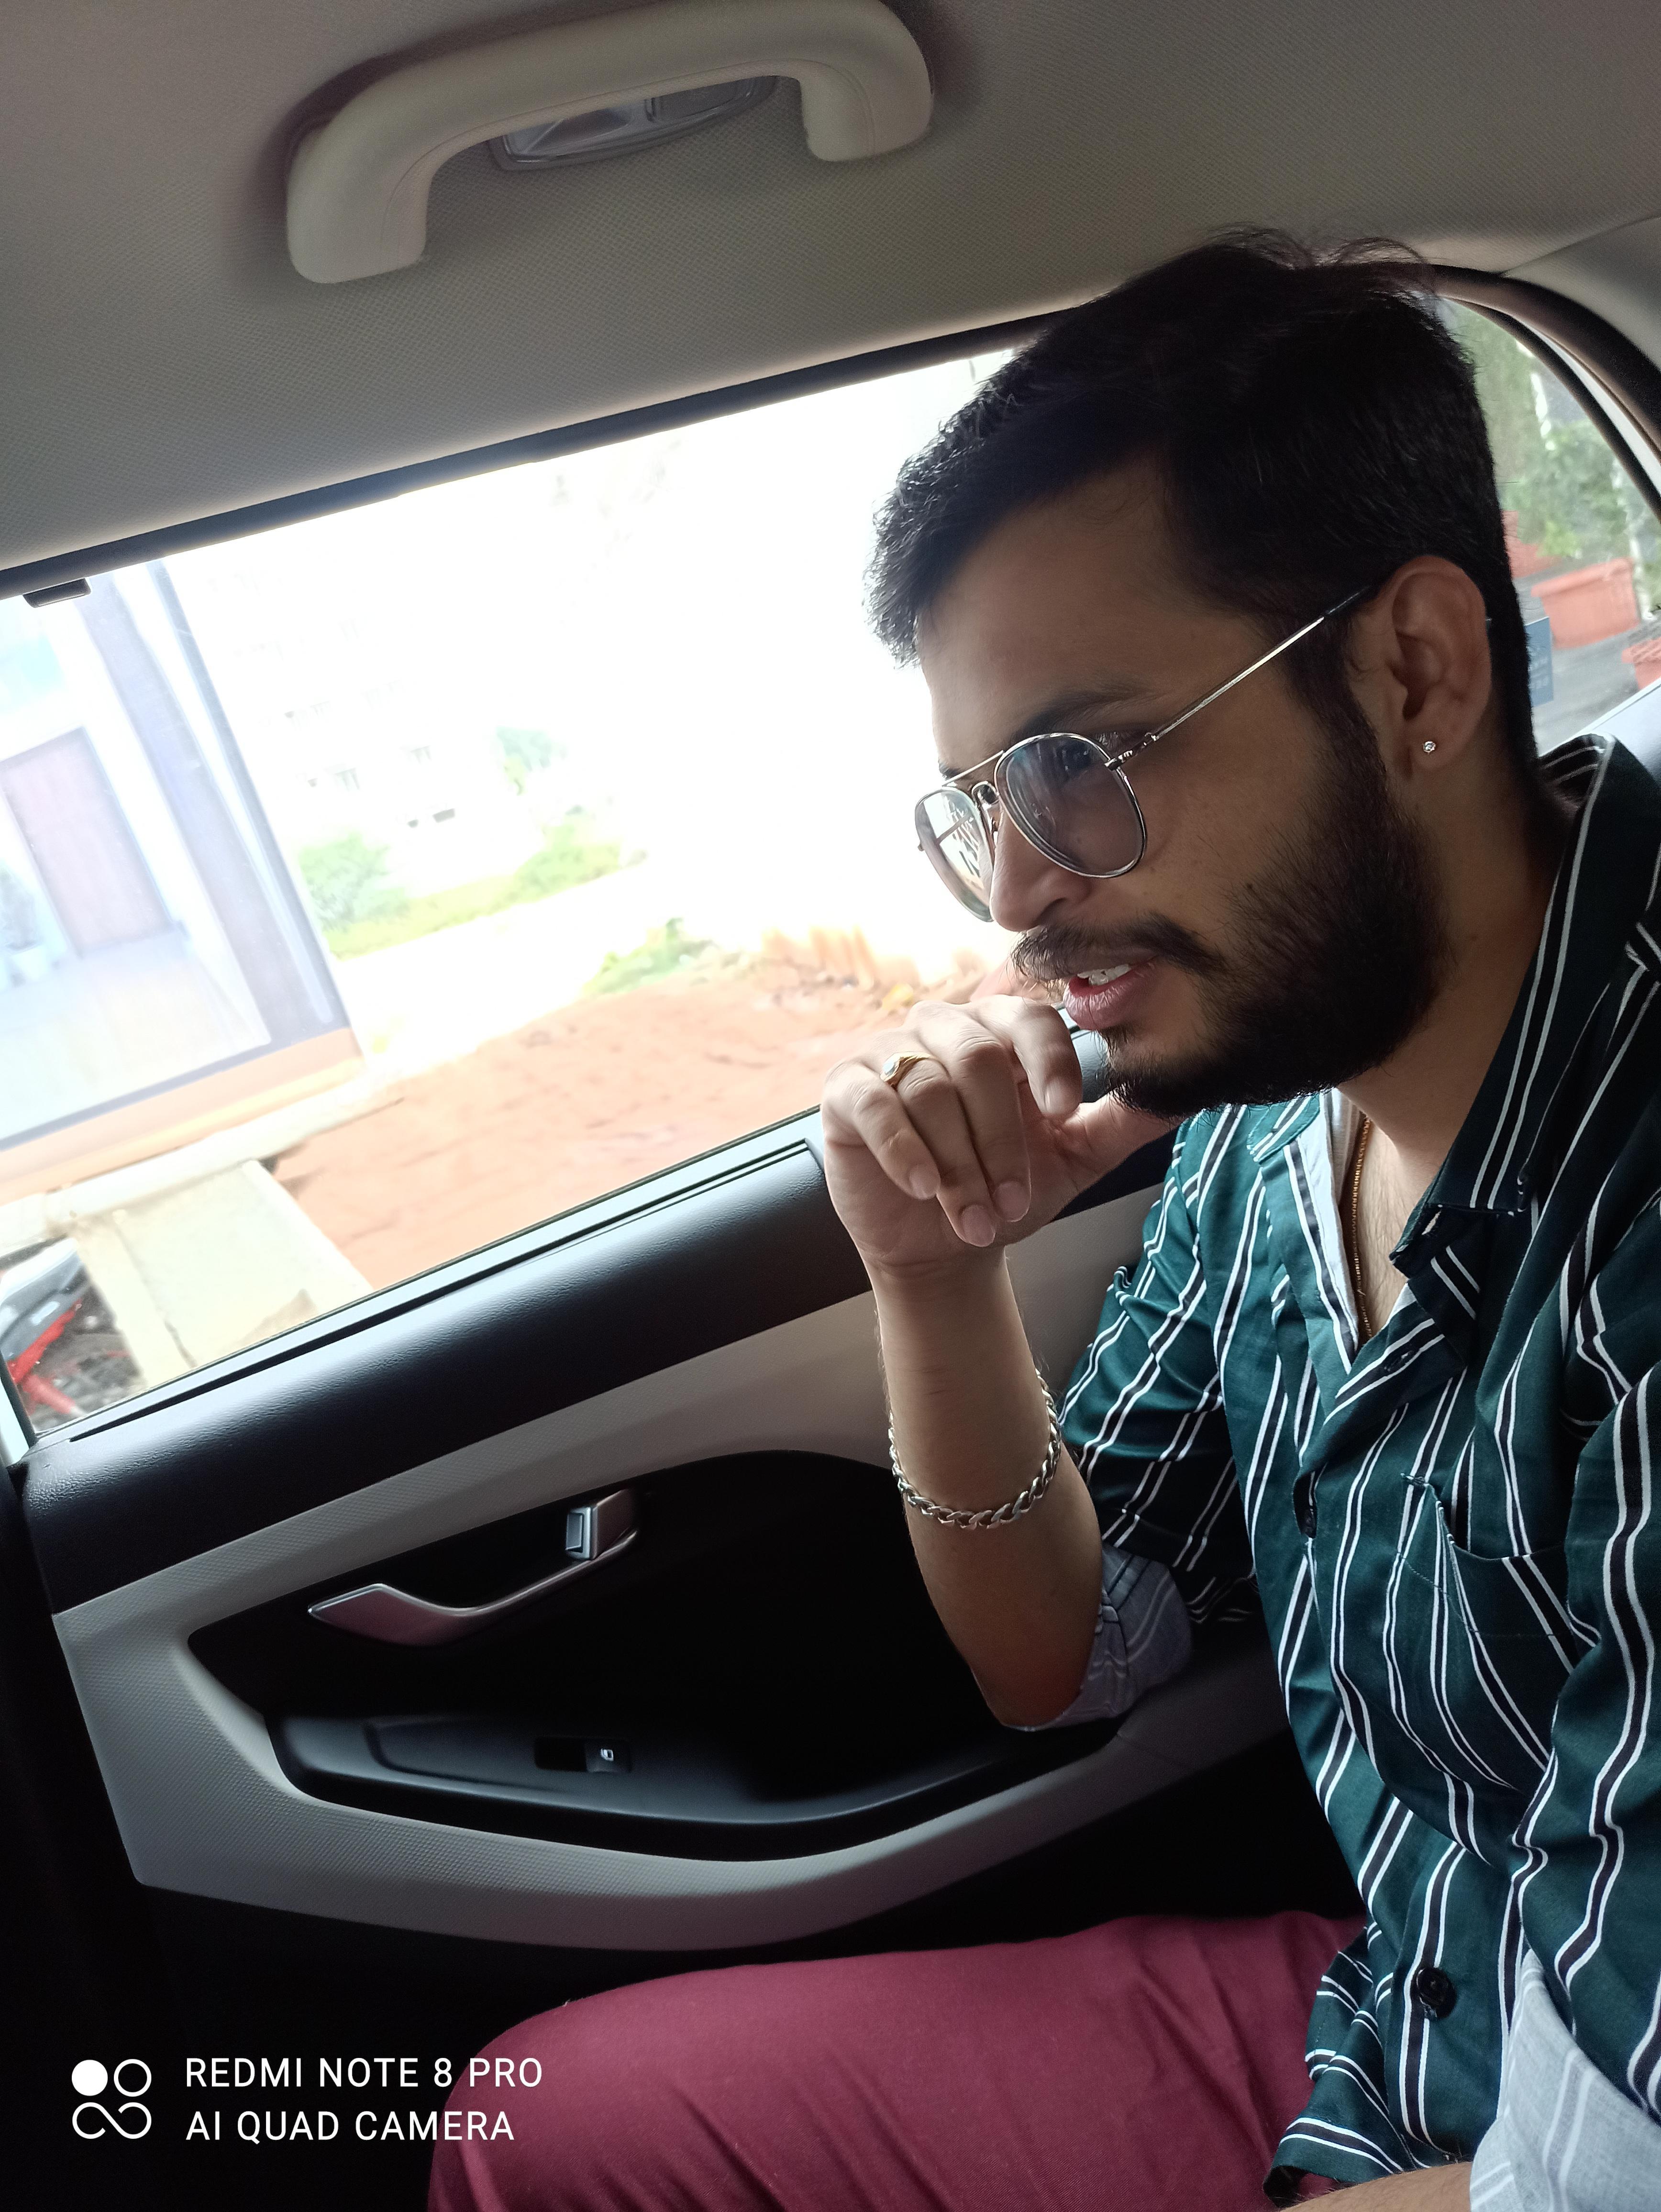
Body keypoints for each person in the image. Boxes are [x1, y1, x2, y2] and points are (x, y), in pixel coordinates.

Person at [431, 234, 1661, 2210]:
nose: (1015, 890)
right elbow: (1063, 1655)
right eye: (983, 801)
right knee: (544, 2129)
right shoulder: (1276, 1119)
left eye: (1082, 766)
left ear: (1415, 673)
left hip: (1574, 2130)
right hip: (1403, 2025)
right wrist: (931, 1273)